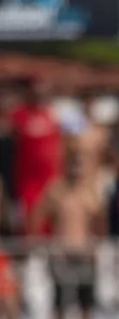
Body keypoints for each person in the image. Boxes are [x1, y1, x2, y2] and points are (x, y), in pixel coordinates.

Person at [30, 149, 105, 319]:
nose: (77, 170)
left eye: (80, 166)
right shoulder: (55, 191)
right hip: (62, 256)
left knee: (86, 310)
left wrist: (96, 246)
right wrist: (47, 246)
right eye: (74, 165)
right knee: (61, 309)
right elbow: (36, 217)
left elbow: (100, 221)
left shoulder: (89, 191)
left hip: (84, 256)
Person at [11, 77, 63, 230]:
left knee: (52, 219)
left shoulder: (52, 115)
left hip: (50, 180)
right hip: (28, 182)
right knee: (31, 219)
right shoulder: (19, 115)